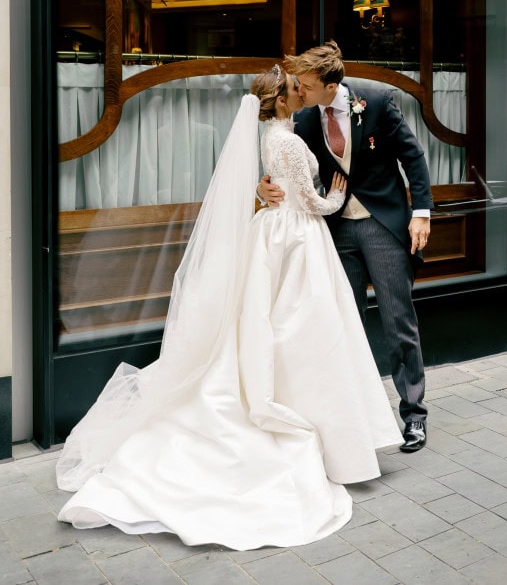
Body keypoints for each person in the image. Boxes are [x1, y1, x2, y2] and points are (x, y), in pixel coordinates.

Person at [55, 66, 401, 549]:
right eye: (293, 89)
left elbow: (277, 188)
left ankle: (324, 427)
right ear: (281, 100)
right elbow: (308, 202)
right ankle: (329, 434)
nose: (300, 91)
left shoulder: (273, 135)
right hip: (298, 238)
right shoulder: (286, 141)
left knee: (284, 330)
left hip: (278, 236)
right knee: (307, 331)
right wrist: (336, 200)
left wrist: (272, 194)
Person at [258, 42, 434, 452]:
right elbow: (285, 169)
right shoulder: (301, 119)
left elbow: (413, 157)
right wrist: (263, 188)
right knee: (342, 325)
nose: (299, 92)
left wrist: (421, 212)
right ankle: (355, 422)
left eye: (306, 85)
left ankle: (414, 416)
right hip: (334, 232)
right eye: (297, 86)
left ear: (330, 85)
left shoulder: (375, 102)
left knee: (397, 321)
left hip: (382, 225)